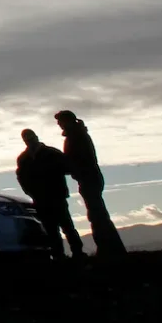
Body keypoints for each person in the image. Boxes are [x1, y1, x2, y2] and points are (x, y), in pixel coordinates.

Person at [55, 110, 126, 259]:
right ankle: (111, 248)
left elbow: (77, 160)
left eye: (60, 121)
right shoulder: (78, 134)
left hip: (88, 177)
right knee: (98, 213)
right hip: (89, 177)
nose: (59, 125)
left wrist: (63, 165)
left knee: (96, 214)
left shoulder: (76, 136)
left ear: (67, 121)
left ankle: (109, 248)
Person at [16, 128, 83, 260]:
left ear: (36, 136)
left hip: (56, 196)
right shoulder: (23, 159)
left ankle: (78, 253)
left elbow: (67, 167)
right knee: (51, 230)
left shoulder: (52, 153)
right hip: (40, 199)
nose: (29, 140)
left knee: (67, 227)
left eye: (31, 137)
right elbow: (21, 177)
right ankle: (59, 255)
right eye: (26, 138)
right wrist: (30, 192)